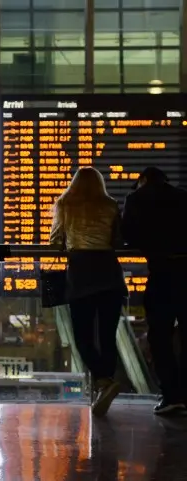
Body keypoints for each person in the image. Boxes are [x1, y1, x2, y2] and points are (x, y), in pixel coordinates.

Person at [49, 167, 127, 417]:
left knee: (82, 336)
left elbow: (55, 241)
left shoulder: (65, 204)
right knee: (107, 335)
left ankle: (103, 381)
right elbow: (118, 241)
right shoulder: (110, 205)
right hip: (109, 274)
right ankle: (106, 382)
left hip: (81, 275)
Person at [121, 166, 187, 415]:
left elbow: (128, 235)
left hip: (162, 275)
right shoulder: (183, 197)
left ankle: (171, 396)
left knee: (160, 338)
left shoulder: (136, 198)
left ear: (143, 179)